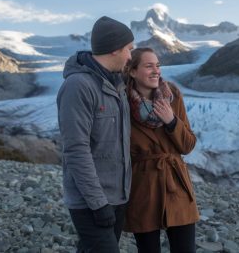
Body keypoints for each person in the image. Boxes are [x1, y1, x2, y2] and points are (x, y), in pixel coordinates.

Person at [57, 16, 134, 253]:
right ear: (114, 50)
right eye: (129, 49)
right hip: (91, 202)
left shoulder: (116, 85)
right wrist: (98, 203)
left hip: (117, 197)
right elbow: (76, 149)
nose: (131, 56)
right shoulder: (78, 86)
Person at [123, 47, 199, 253]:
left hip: (176, 185)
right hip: (143, 188)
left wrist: (172, 122)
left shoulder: (172, 95)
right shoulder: (121, 102)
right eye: (149, 66)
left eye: (158, 65)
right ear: (132, 71)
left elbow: (188, 145)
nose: (156, 71)